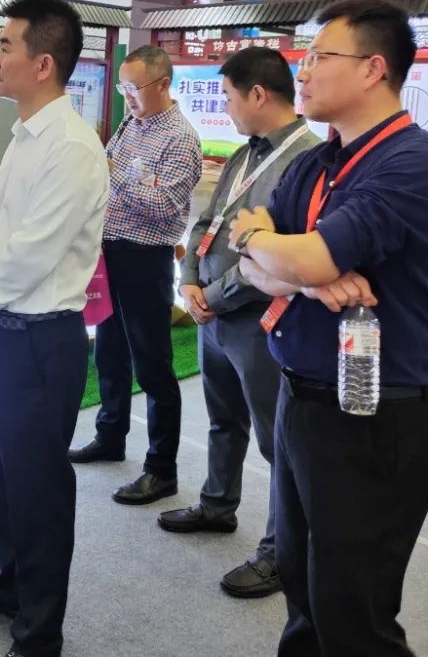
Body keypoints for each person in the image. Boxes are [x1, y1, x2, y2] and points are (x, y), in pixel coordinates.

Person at [230, 0, 428, 656]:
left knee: (353, 616)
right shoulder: (313, 163)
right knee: (303, 593)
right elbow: (249, 266)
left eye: (317, 57)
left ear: (373, 68)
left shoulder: (417, 162)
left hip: (375, 417)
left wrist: (275, 246)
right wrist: (296, 267)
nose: (301, 72)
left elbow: (294, 253)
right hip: (301, 399)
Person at [0, 0, 108, 657]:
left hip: (44, 339)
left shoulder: (70, 147)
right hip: (8, 334)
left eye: (6, 45)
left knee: (39, 489)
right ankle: (9, 582)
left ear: (43, 63)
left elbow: (31, 253)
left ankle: (39, 632)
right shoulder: (26, 134)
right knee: (7, 472)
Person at [158, 48, 319, 598]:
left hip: (261, 321)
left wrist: (213, 296)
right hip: (213, 315)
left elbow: (280, 255)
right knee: (223, 419)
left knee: (279, 444)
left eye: (228, 97)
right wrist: (188, 279)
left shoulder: (306, 161)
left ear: (258, 94)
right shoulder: (244, 153)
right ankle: (217, 504)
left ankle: (280, 554)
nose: (224, 108)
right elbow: (207, 218)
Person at [69, 46, 202, 507]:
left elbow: (164, 205)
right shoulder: (130, 124)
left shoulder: (180, 138)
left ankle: (161, 469)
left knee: (152, 364)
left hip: (147, 257)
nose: (126, 96)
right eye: (123, 87)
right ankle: (111, 435)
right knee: (109, 351)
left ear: (162, 85)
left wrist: (117, 173)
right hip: (111, 252)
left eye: (134, 87)